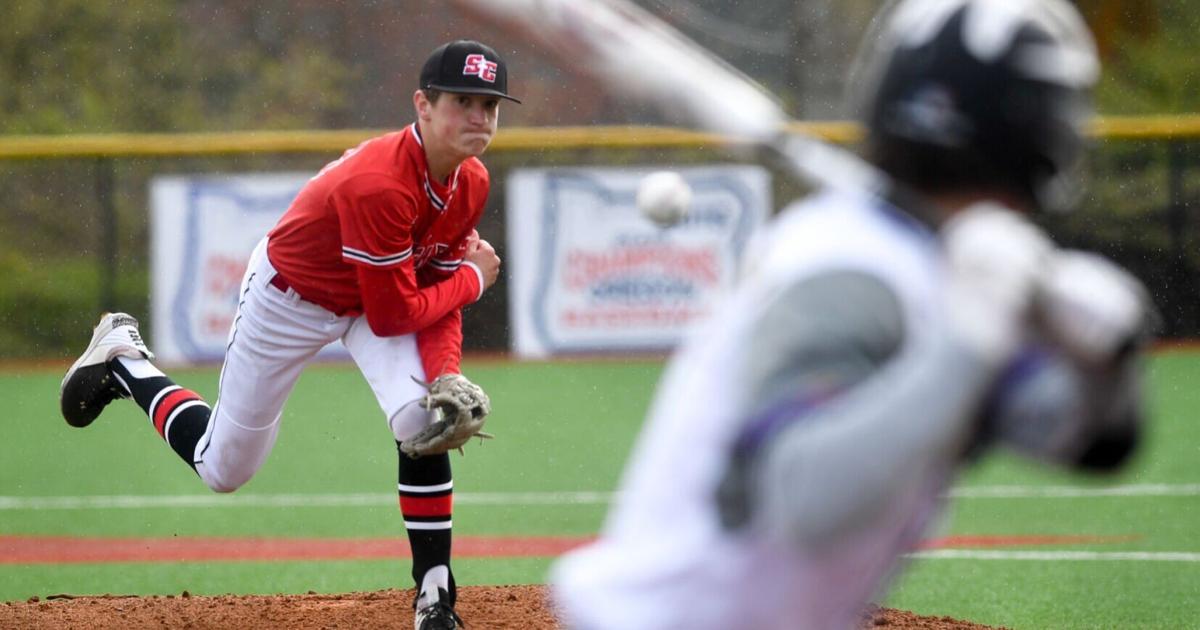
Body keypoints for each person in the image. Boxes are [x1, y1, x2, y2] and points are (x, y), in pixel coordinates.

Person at [551, 1, 1154, 629]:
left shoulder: (955, 270)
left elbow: (1091, 442)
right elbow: (803, 500)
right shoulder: (850, 269)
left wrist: (1107, 369)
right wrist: (969, 346)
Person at [58, 39, 518, 630]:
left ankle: (435, 598)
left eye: (491, 105)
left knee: (423, 421)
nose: (480, 118)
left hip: (375, 299)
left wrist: (447, 369)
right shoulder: (381, 184)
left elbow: (430, 295)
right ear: (423, 105)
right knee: (224, 468)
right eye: (464, 101)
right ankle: (124, 360)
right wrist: (475, 283)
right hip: (291, 299)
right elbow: (398, 313)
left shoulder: (471, 180)